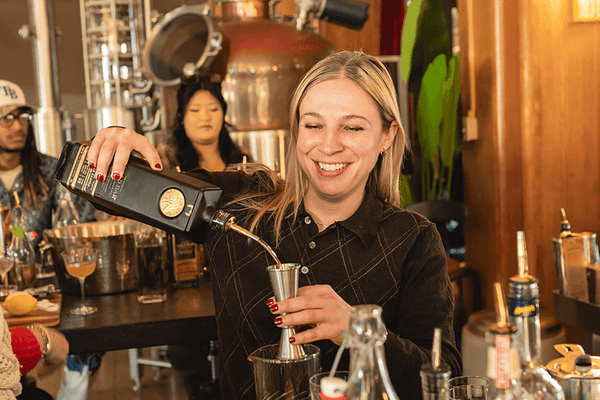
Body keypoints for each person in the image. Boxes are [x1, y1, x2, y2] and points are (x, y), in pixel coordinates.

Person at [86, 50, 462, 400]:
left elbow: (442, 379)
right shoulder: (238, 204)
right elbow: (101, 188)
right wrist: (112, 150)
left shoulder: (412, 239)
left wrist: (359, 329)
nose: (329, 146)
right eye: (313, 124)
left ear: (386, 137)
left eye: (353, 128)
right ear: (297, 131)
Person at [0, 80, 99, 400]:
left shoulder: (50, 170)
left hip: (48, 291)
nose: (18, 126)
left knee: (91, 331)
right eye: (6, 118)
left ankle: (72, 389)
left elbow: (77, 228)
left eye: (23, 117)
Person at [160, 74, 250, 399]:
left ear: (224, 113)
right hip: (186, 279)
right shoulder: (168, 164)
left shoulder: (242, 162)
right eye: (195, 109)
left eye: (212, 108)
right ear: (182, 117)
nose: (205, 117)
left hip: (235, 273)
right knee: (190, 355)